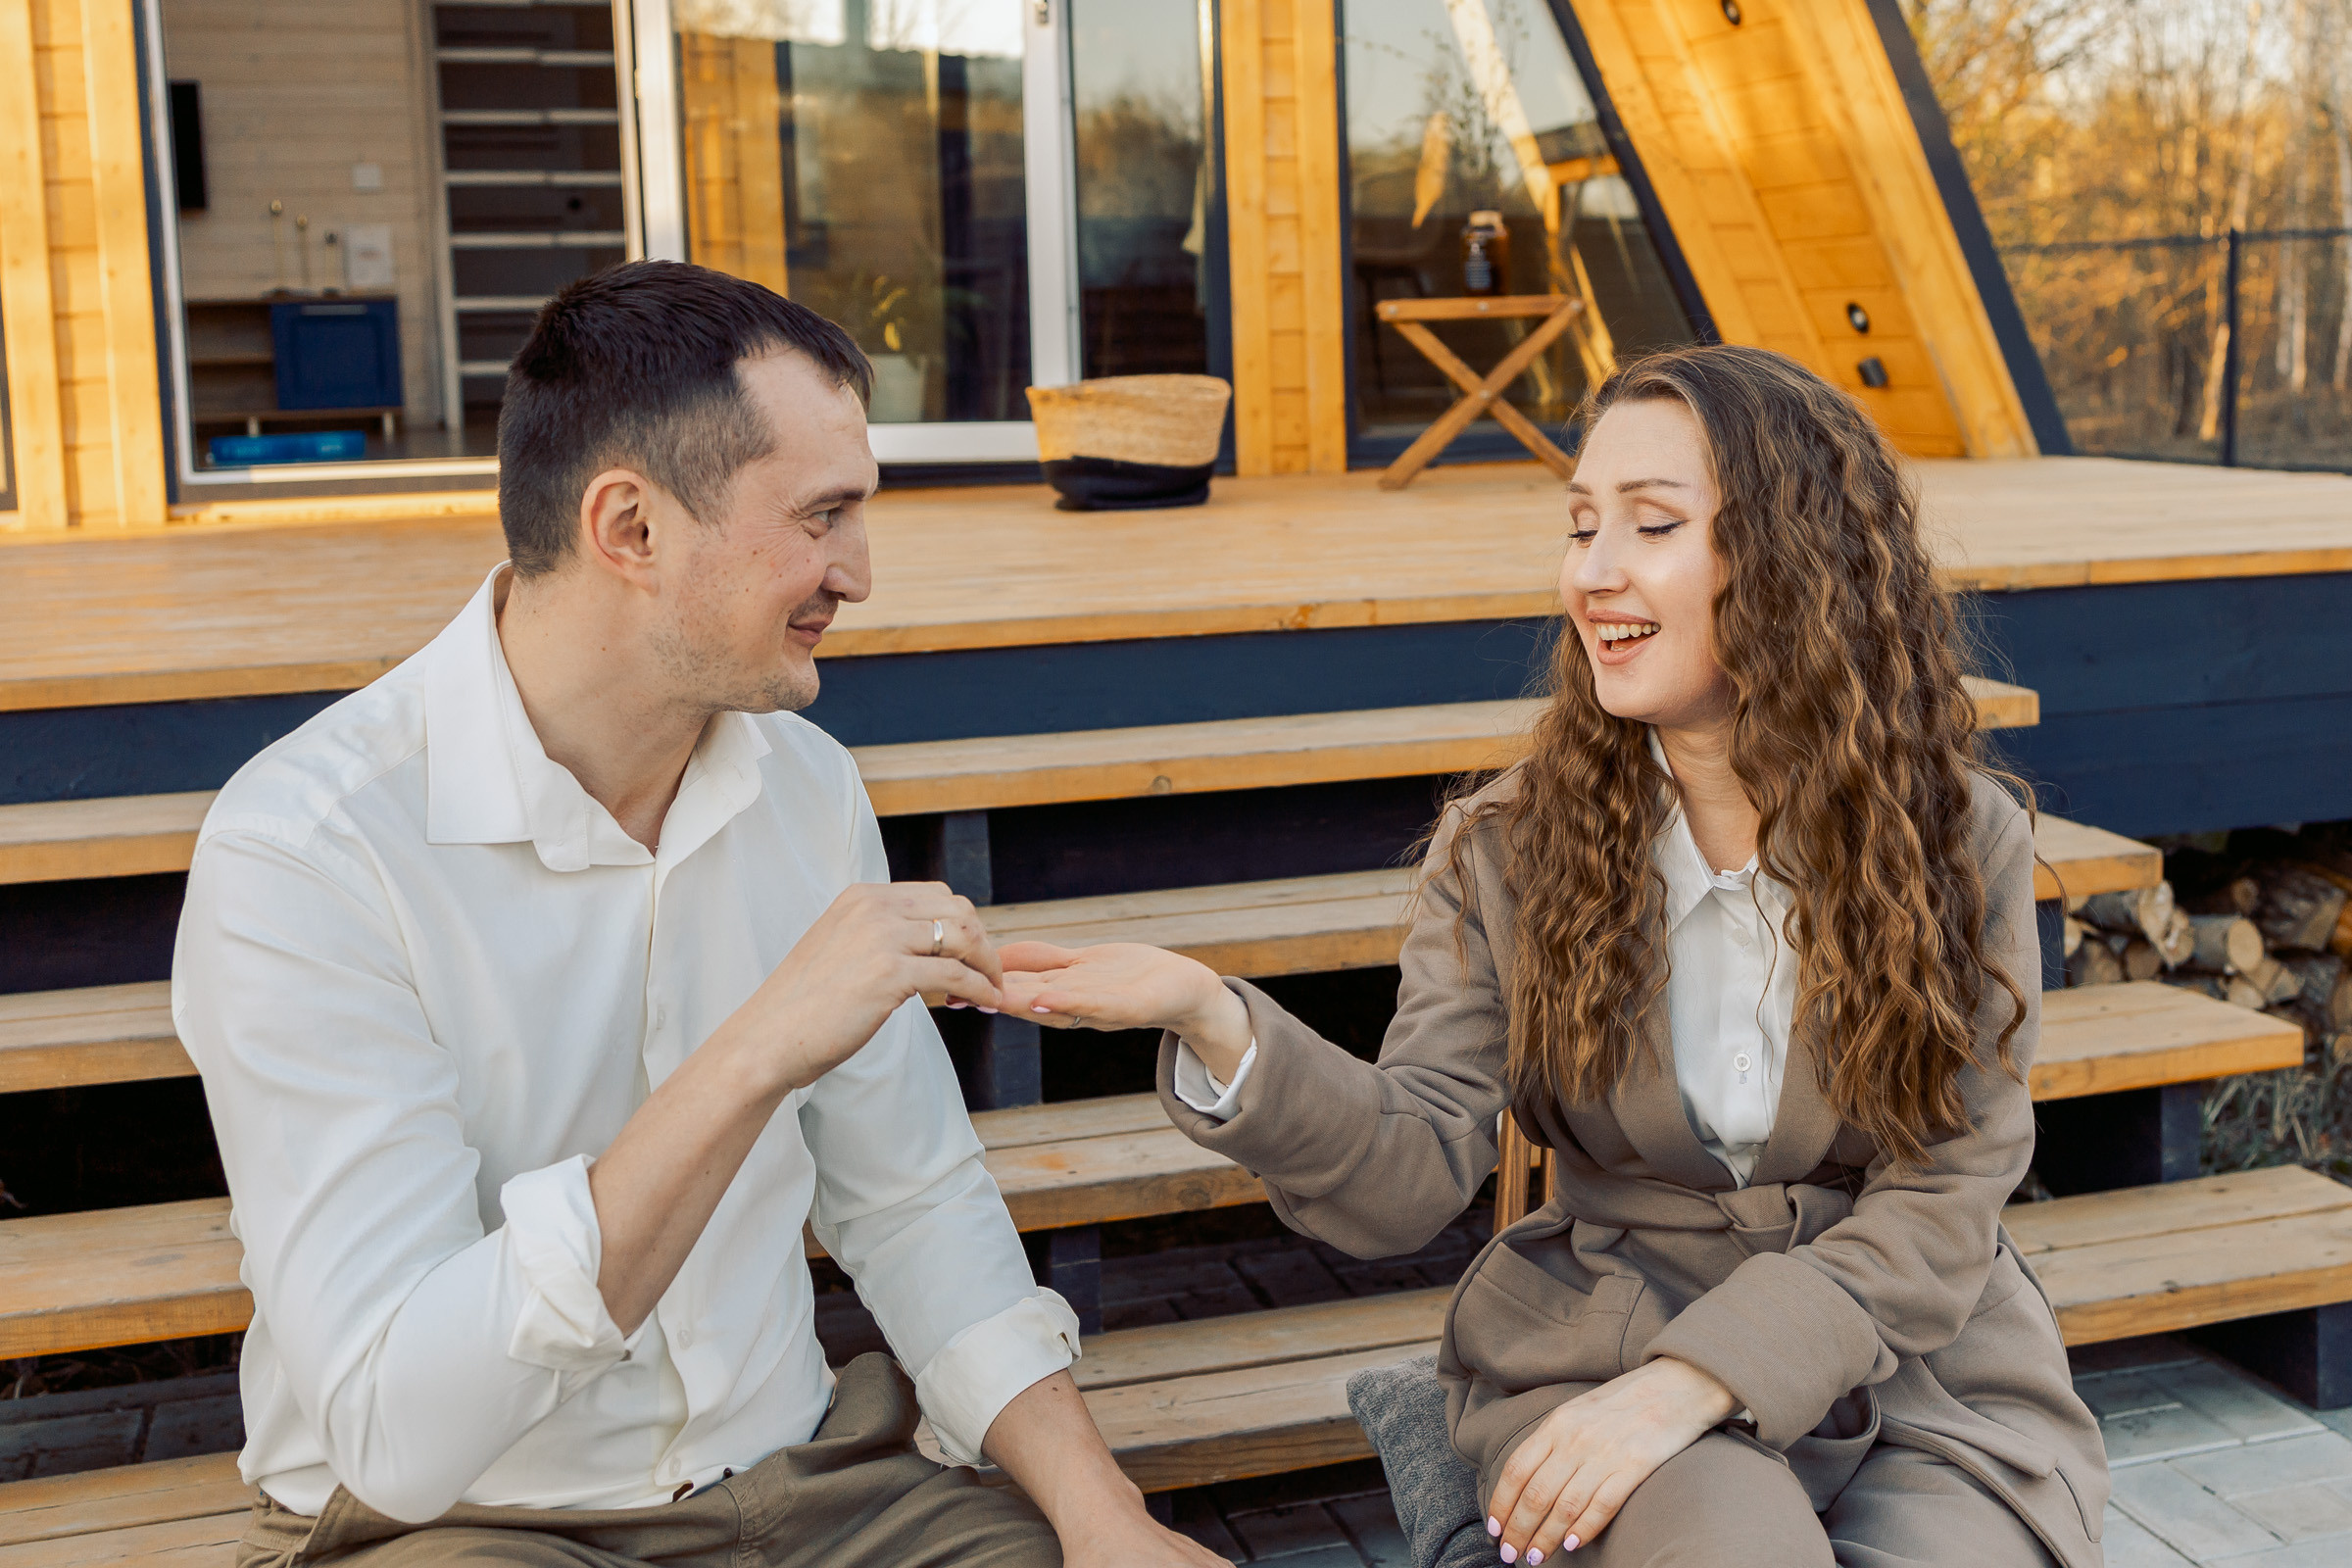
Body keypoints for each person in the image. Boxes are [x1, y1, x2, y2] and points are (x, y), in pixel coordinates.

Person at [173, 261, 1225, 1568]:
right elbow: (399, 1432)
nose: (861, 573)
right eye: (822, 516)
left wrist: (1101, 1518)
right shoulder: (311, 853)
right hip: (460, 1527)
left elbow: (911, 1202)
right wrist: (756, 1049)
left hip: (805, 1486)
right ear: (632, 531)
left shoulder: (806, 783)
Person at [997, 345, 2110, 1567]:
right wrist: (1217, 1020)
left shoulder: (1954, 836)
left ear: (1795, 563)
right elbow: (1412, 1166)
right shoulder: (1509, 849)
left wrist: (1705, 1377)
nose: (1595, 574)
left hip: (1915, 1369)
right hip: (1613, 1335)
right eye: (1582, 527)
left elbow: (1950, 1188)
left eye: (1652, 525)